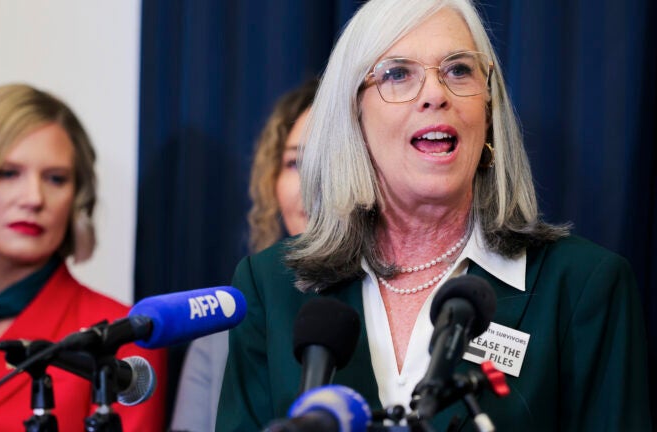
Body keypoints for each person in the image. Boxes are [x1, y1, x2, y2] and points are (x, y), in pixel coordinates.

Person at [217, 1, 652, 431]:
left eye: (458, 70)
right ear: (354, 115)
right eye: (398, 74)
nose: (435, 94)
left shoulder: (583, 286)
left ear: (489, 109)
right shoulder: (270, 287)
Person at [0, 83, 167, 431]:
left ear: (77, 197)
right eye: (8, 173)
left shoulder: (124, 339)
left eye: (56, 178)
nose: (34, 198)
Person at [170, 79, 317, 432]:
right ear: (271, 182)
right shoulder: (220, 330)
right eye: (295, 163)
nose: (313, 183)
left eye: (331, 159)